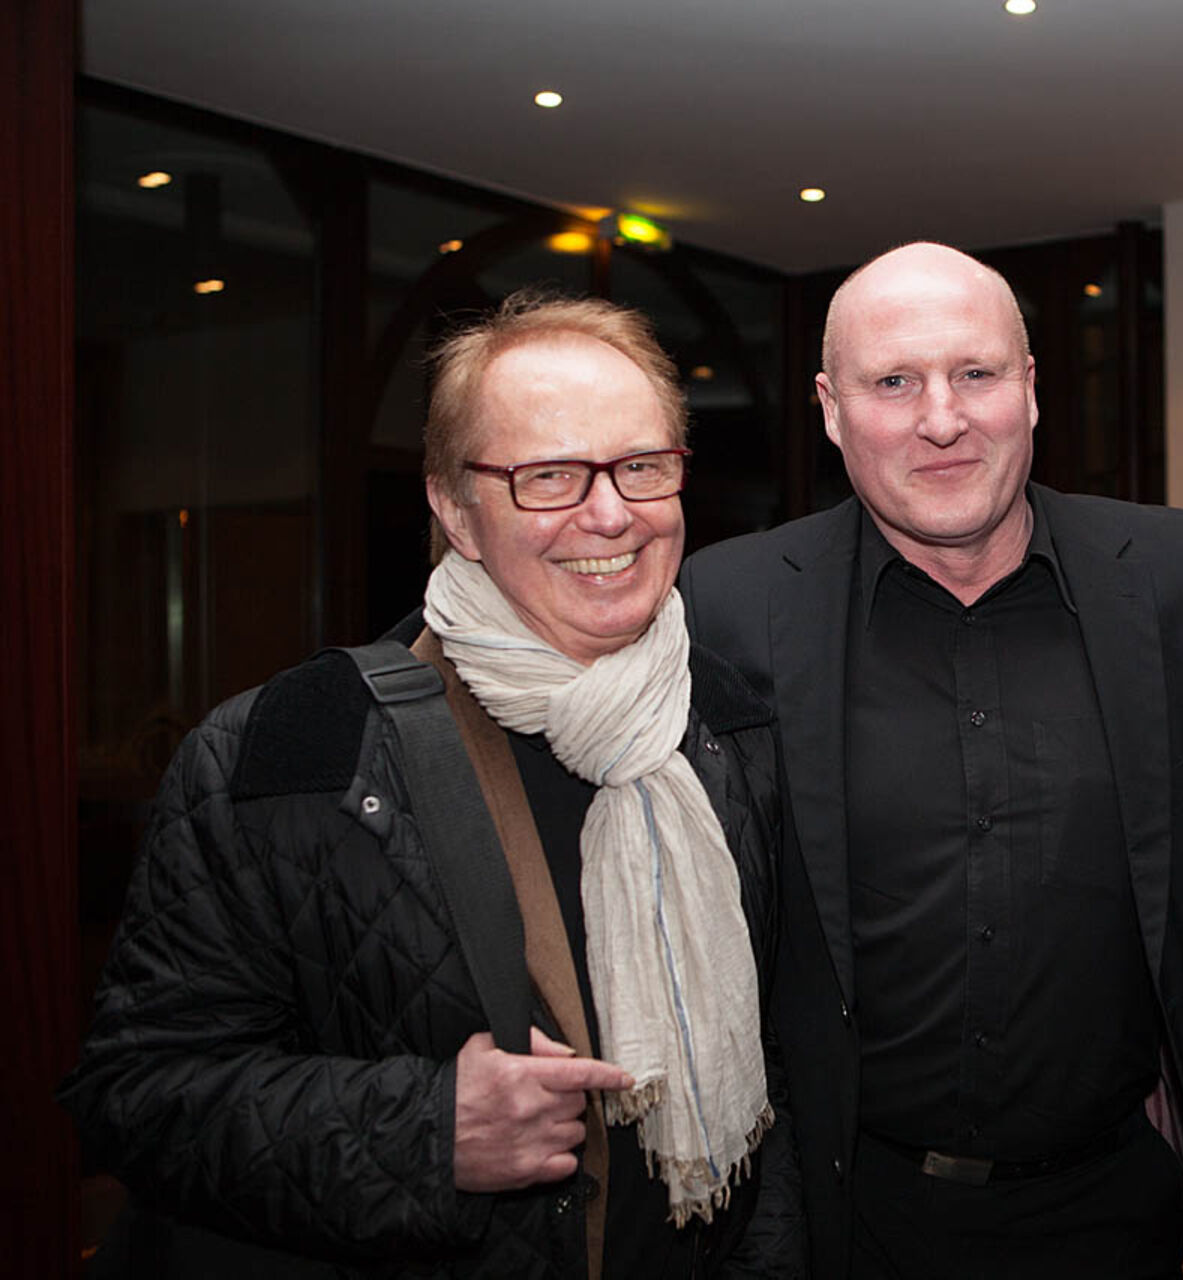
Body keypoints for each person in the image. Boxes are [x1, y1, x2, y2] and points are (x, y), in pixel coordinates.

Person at [60, 292, 801, 1279]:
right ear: (455, 509)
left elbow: (778, 1075)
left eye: (641, 465)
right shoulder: (288, 754)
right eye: (548, 476)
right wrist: (427, 1131)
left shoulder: (731, 728)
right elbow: (138, 1096)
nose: (610, 512)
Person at [678, 242, 1183, 1279]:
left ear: (1030, 387)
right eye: (894, 382)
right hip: (854, 1216)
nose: (941, 419)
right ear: (831, 408)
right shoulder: (726, 607)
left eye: (975, 373)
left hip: (1120, 1206)